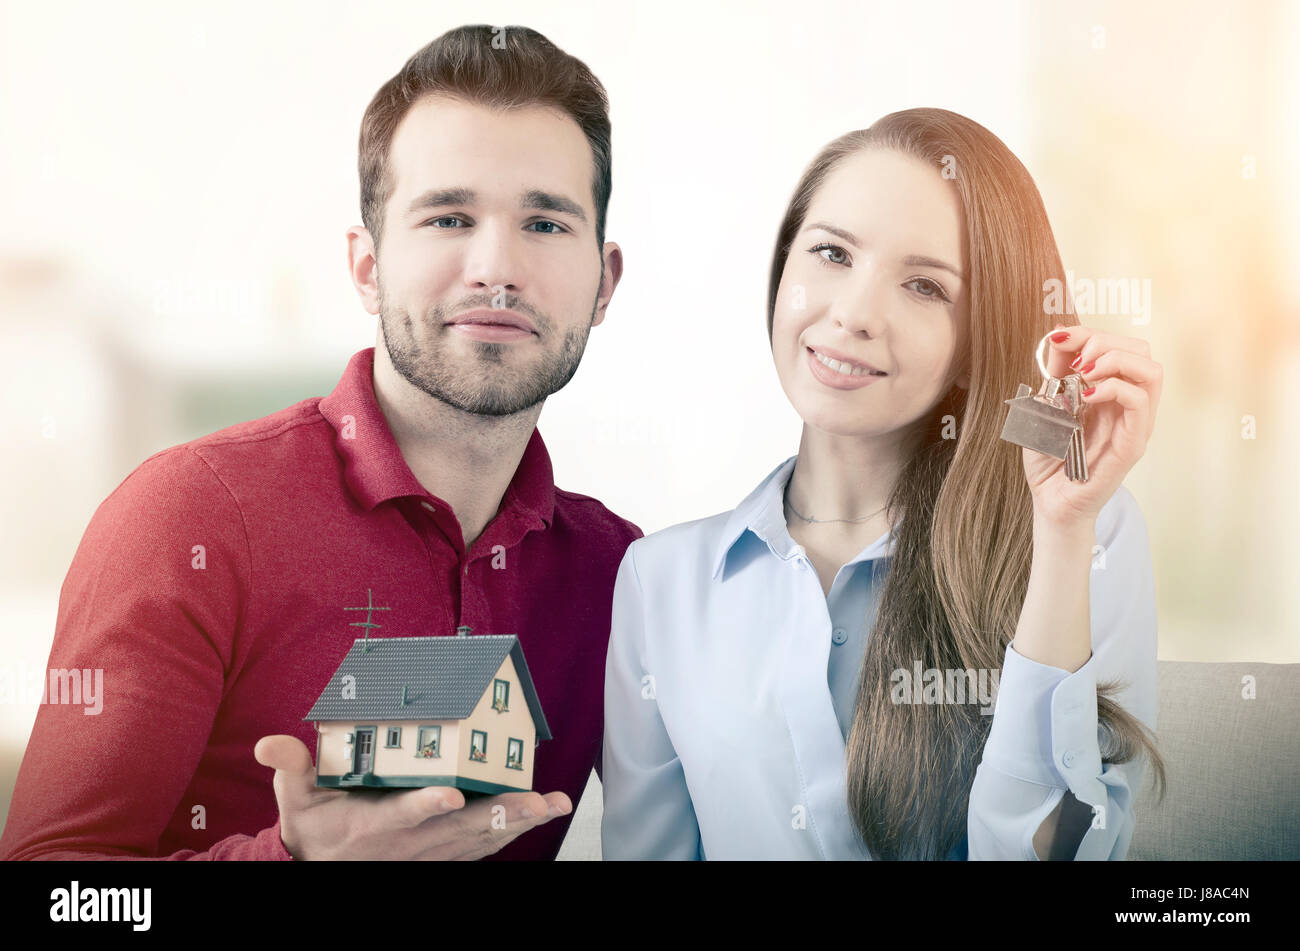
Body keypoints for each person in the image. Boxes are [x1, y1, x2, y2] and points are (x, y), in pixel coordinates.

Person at [0, 24, 637, 861]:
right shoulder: (190, 515)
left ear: (604, 282)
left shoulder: (624, 574)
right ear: (367, 267)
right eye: (448, 216)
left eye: (546, 225)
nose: (496, 266)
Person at [601, 108, 1167, 860]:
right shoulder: (659, 580)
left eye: (925, 287)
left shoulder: (1087, 532)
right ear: (783, 269)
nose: (855, 313)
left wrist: (1062, 532)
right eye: (832, 252)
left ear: (979, 341)